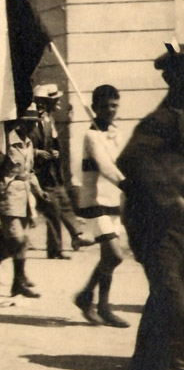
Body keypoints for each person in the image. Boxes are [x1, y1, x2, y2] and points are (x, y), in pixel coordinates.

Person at [117, 46, 184, 370]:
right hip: (156, 228)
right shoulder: (163, 119)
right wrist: (173, 199)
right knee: (176, 304)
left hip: (179, 229)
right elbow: (132, 159)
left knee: (162, 304)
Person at [0, 104, 48, 298]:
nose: (31, 127)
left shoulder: (29, 144)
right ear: (19, 122)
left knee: (16, 243)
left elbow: (29, 173)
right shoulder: (6, 143)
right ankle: (18, 282)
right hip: (6, 197)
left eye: (34, 123)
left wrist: (39, 192)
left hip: (24, 198)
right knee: (18, 240)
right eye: (28, 123)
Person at [72, 85, 129, 327]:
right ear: (94, 108)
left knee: (109, 256)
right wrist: (128, 184)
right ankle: (92, 299)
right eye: (104, 106)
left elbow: (123, 161)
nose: (110, 110)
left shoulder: (115, 132)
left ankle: (94, 301)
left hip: (113, 201)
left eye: (114, 106)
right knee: (115, 255)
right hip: (94, 202)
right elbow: (105, 166)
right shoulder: (91, 135)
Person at [31, 84, 90, 258]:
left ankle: (77, 235)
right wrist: (37, 152)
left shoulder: (50, 120)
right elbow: (22, 145)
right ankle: (55, 249)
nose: (57, 103)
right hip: (38, 174)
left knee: (63, 202)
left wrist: (54, 153)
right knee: (52, 210)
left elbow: (53, 142)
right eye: (54, 100)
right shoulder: (31, 120)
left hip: (53, 173)